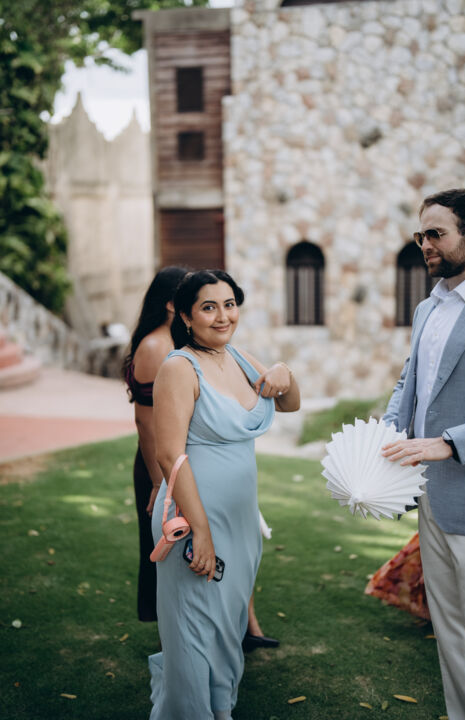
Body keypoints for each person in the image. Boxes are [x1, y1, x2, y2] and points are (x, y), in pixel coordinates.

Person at [149, 269, 300, 719]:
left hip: (240, 519)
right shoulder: (179, 367)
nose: (222, 316)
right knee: (194, 628)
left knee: (227, 626)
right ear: (186, 316)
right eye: (209, 307)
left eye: (229, 304)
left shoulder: (239, 358)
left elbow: (289, 402)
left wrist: (284, 372)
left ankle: (219, 708)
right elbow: (169, 454)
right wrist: (202, 531)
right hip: (194, 517)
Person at [382, 188, 465, 720]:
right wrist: (380, 439)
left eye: (437, 234)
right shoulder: (427, 308)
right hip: (430, 499)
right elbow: (409, 384)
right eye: (421, 235)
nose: (425, 244)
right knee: (450, 633)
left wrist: (450, 442)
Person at [124, 266, 187, 621]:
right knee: (162, 546)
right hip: (157, 466)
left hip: (176, 461)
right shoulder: (154, 346)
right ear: (169, 303)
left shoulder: (175, 341)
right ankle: (168, 630)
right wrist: (158, 483)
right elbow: (144, 423)